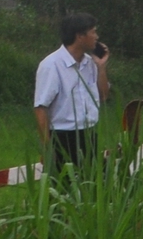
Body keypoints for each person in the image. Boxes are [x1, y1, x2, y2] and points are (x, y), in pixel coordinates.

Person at [34, 13, 108, 171]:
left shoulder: (90, 63)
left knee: (93, 189)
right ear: (80, 36)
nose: (97, 36)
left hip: (88, 135)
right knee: (66, 190)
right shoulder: (51, 65)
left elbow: (103, 96)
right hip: (63, 138)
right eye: (93, 32)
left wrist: (101, 67)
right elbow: (41, 108)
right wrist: (47, 148)